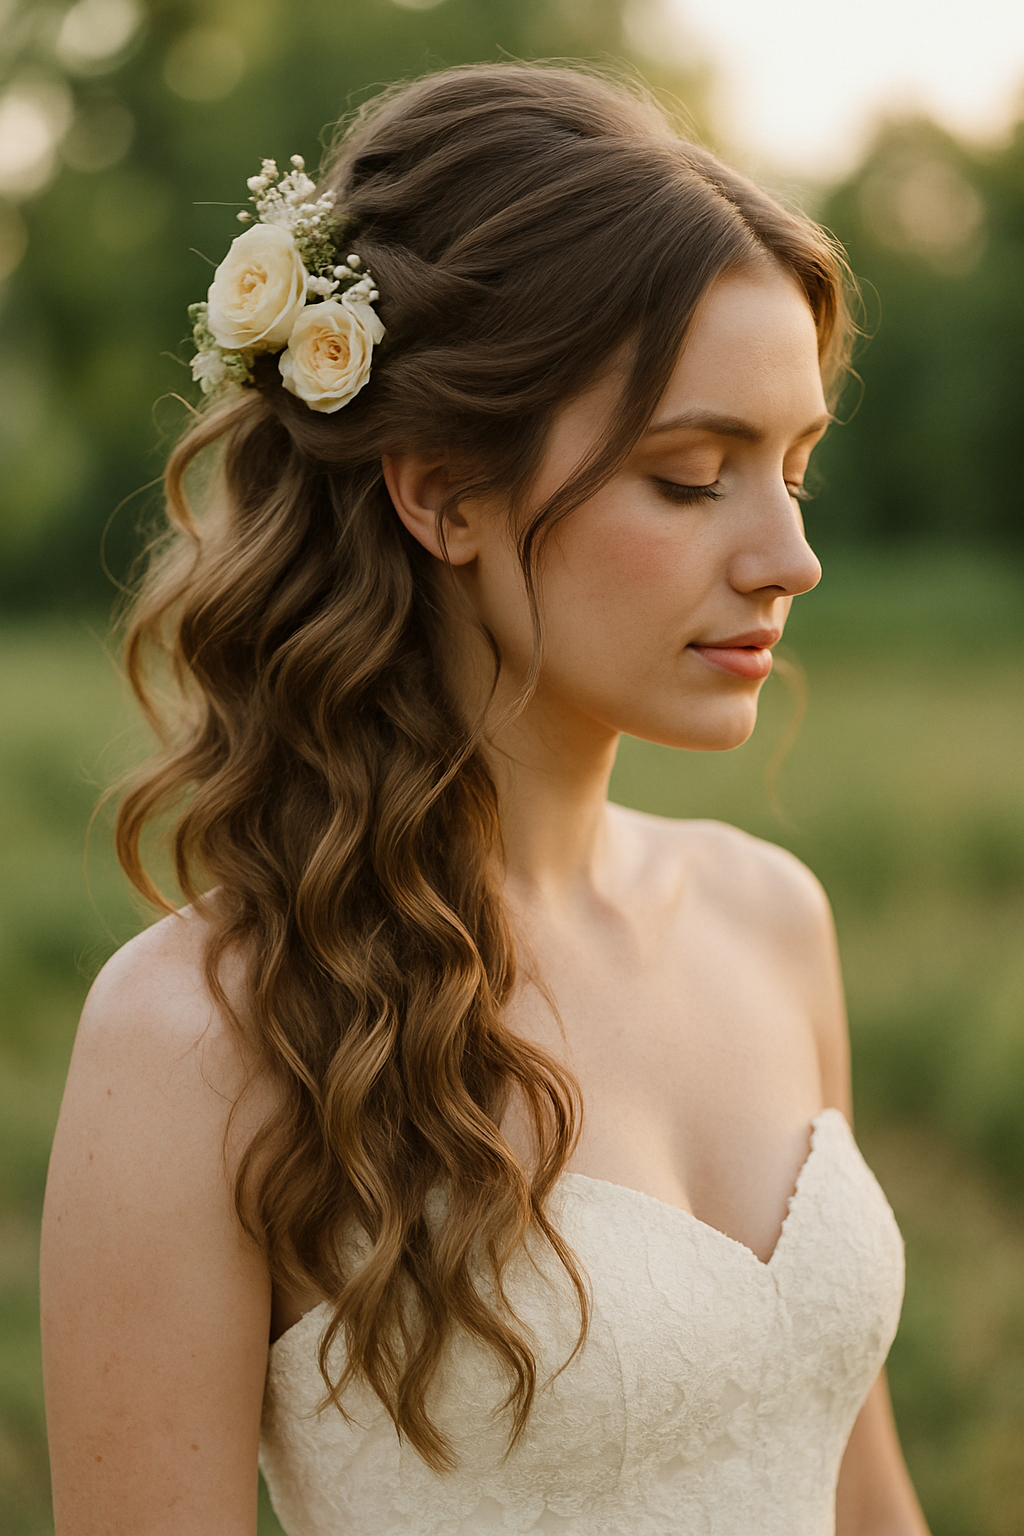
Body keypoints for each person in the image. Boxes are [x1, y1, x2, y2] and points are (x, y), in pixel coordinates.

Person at [39, 62, 931, 1536]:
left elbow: (860, 1493)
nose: (790, 556)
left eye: (797, 468)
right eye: (694, 476)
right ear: (441, 488)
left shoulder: (773, 919)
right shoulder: (199, 1037)